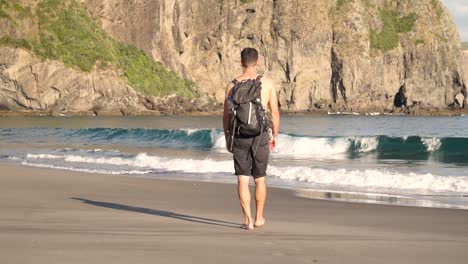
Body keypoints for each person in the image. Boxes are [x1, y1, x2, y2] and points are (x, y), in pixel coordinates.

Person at [223, 47, 280, 230]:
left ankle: (248, 221)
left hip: (240, 136)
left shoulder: (232, 86)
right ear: (258, 62)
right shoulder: (268, 83)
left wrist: (227, 136)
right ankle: (259, 217)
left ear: (241, 62)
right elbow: (275, 113)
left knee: (242, 179)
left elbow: (226, 116)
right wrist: (275, 136)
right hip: (261, 135)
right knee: (260, 179)